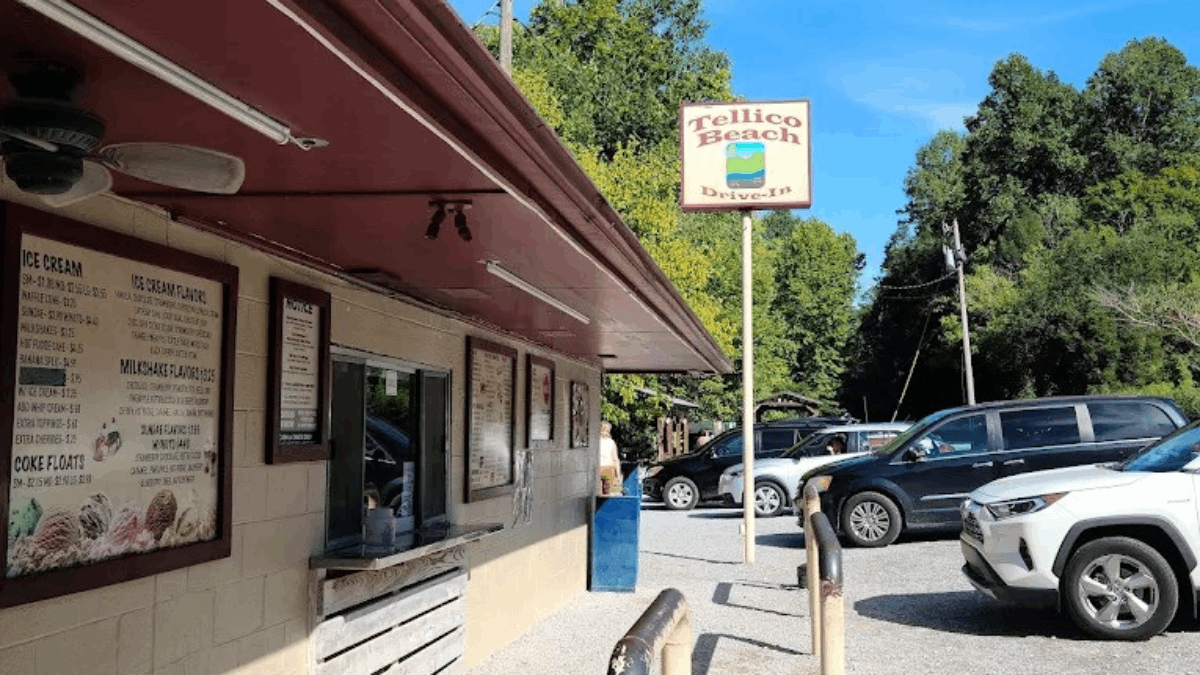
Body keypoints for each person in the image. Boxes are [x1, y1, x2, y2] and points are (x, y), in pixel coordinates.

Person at [598, 421, 623, 494]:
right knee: (608, 495)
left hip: (598, 468)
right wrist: (618, 474)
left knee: (599, 495)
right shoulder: (611, 442)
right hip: (609, 469)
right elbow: (615, 459)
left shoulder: (596, 442)